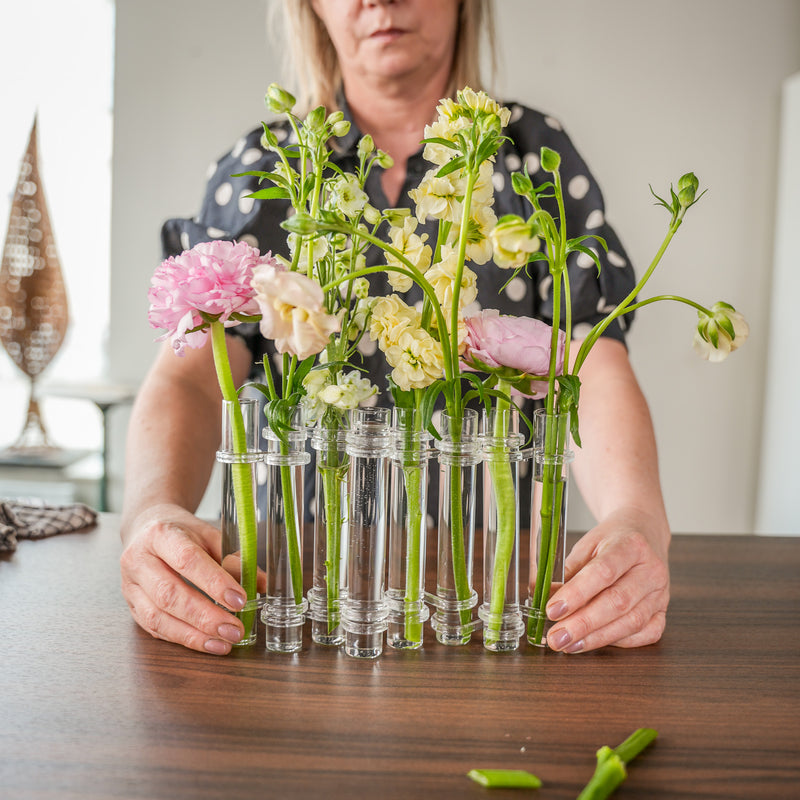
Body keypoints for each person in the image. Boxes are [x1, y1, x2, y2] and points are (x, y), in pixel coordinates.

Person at [120, 0, 670, 657]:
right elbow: (193, 377)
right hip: (292, 603)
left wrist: (637, 518)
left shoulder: (532, 155)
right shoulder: (269, 166)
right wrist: (150, 514)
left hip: (488, 606)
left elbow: (589, 361)